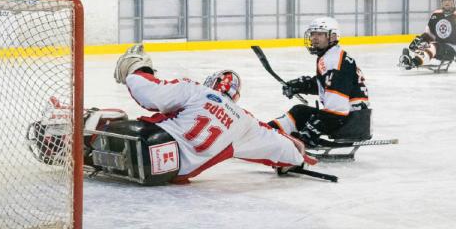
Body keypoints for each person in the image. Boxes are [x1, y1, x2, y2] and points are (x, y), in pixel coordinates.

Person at [107, 44, 312, 184]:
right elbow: (282, 147)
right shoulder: (245, 121)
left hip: (147, 142)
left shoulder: (197, 90)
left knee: (113, 116)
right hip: (166, 174)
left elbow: (151, 94)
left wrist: (137, 69)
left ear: (211, 83)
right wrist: (296, 157)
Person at [267, 17, 371, 147]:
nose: (314, 38)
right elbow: (327, 85)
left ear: (333, 37)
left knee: (301, 115)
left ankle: (267, 136)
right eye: (313, 34)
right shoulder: (332, 56)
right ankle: (266, 133)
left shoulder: (336, 62)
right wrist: (300, 86)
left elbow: (337, 109)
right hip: (351, 117)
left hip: (351, 121)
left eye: (320, 34)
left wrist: (310, 132)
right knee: (299, 112)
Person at [400, 0, 456, 69]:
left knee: (433, 46)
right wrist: (421, 39)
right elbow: (430, 33)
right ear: (441, 2)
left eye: (449, 0)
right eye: (444, 0)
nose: (447, 3)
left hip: (454, 49)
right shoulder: (436, 14)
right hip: (439, 46)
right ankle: (410, 60)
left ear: (454, 2)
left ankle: (413, 62)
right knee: (422, 45)